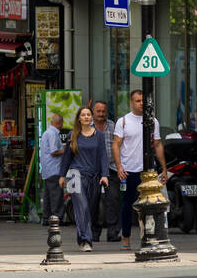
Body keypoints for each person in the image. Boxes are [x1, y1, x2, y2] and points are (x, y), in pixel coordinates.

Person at [112, 89, 166, 251]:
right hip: (129, 170)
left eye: (143, 100)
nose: (141, 103)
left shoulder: (152, 121)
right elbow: (116, 144)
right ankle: (126, 239)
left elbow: (157, 144)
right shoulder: (123, 121)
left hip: (148, 171)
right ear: (131, 102)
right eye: (137, 101)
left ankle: (149, 236)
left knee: (150, 206)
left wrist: (163, 168)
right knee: (127, 206)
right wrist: (119, 166)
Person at [59, 105, 110, 252]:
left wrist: (105, 175)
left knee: (91, 209)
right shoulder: (72, 135)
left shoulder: (99, 135)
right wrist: (62, 175)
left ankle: (81, 237)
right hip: (76, 175)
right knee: (82, 207)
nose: (86, 117)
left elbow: (103, 157)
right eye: (83, 115)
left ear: (91, 117)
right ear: (79, 118)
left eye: (88, 114)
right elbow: (66, 158)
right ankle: (86, 240)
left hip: (93, 176)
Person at [92, 100, 119, 242]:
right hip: (93, 170)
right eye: (98, 111)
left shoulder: (112, 125)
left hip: (111, 169)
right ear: (93, 112)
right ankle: (93, 233)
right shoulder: (87, 127)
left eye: (103, 111)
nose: (101, 114)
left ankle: (113, 233)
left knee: (113, 201)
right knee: (93, 202)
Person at [40, 113, 66, 221]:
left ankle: (46, 218)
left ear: (51, 122)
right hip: (54, 169)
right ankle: (57, 217)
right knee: (56, 195)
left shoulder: (47, 132)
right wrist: (64, 150)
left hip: (47, 170)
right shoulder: (53, 134)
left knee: (48, 195)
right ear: (60, 124)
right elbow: (54, 151)